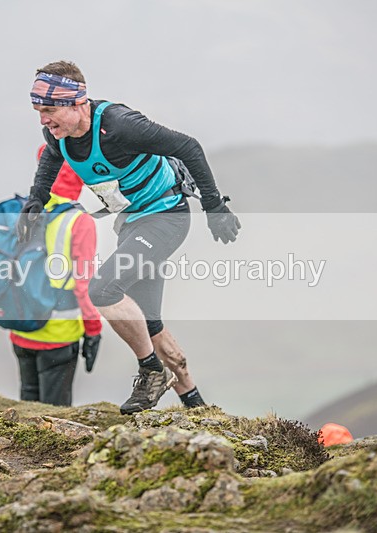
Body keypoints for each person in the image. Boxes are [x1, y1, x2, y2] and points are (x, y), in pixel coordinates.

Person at [18, 60, 240, 414]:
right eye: (38, 111)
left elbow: (189, 147)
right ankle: (196, 406)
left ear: (77, 102)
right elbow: (50, 163)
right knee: (149, 322)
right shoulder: (58, 135)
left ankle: (151, 372)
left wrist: (214, 207)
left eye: (49, 110)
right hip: (134, 223)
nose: (43, 120)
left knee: (103, 290)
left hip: (166, 217)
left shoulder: (119, 125)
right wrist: (35, 201)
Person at [10, 144, 102, 406]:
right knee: (55, 414)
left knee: (27, 403)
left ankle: (18, 446)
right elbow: (84, 285)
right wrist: (93, 328)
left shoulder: (24, 209)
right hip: (58, 332)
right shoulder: (79, 220)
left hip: (20, 327)